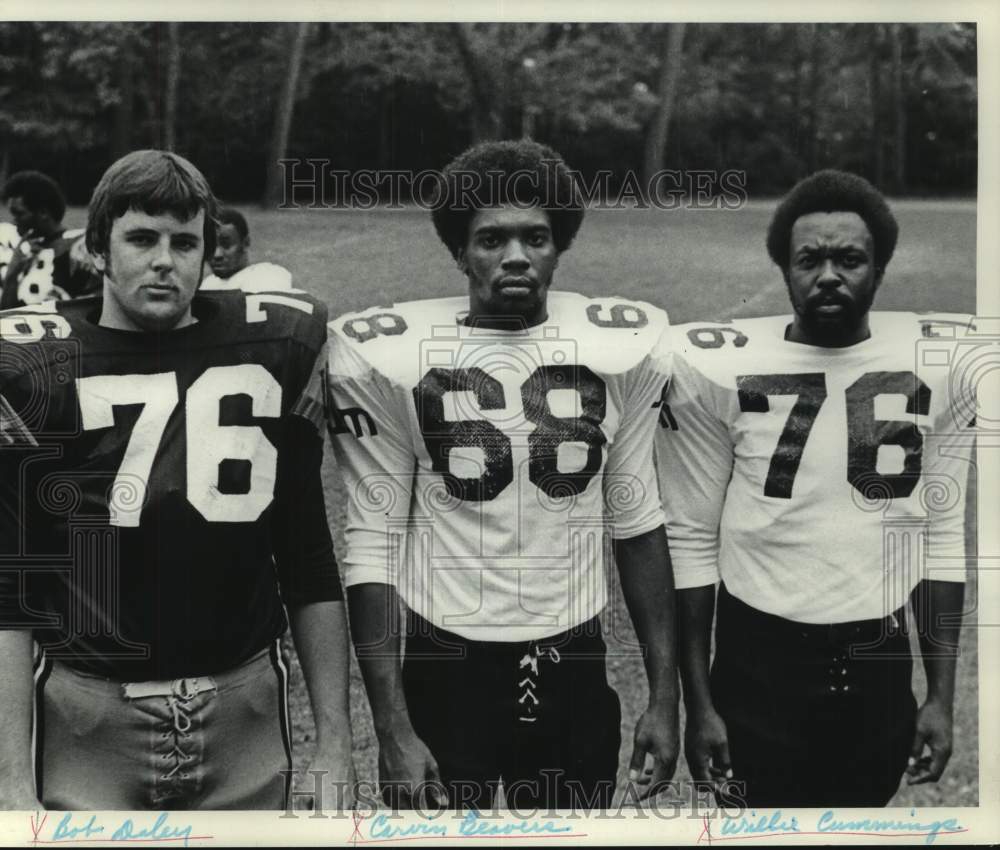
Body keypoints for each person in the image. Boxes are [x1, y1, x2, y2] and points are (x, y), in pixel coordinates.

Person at [327, 140, 679, 811]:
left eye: (536, 237)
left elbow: (636, 522)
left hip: (572, 650)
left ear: (559, 246)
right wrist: (392, 725)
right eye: (491, 239)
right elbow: (371, 544)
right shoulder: (389, 361)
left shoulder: (620, 351)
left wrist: (665, 697)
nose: (516, 255)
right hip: (445, 657)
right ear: (460, 253)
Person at [0, 150, 353, 810]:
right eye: (141, 238)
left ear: (207, 254)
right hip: (88, 713)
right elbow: (10, 592)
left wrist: (335, 743)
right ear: (98, 250)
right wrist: (10, 782)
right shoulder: (33, 367)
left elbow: (307, 559)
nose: (165, 260)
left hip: (241, 705)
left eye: (184, 242)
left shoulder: (275, 347)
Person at [656, 169, 974, 807]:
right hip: (757, 658)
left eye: (850, 258)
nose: (829, 274)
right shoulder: (718, 372)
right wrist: (700, 702)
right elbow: (690, 540)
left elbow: (939, 536)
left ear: (878, 268)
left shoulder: (939, 371)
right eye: (810, 259)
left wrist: (940, 697)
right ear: (784, 269)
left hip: (879, 658)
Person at [1, 170, 100, 308]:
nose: (14, 221)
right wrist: (12, 274)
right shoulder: (25, 253)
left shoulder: (81, 248)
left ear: (43, 213)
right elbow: (7, 318)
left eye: (19, 214)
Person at [200, 207, 292, 292]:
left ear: (245, 243)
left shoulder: (267, 276)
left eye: (226, 245)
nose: (217, 254)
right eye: (210, 245)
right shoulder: (207, 284)